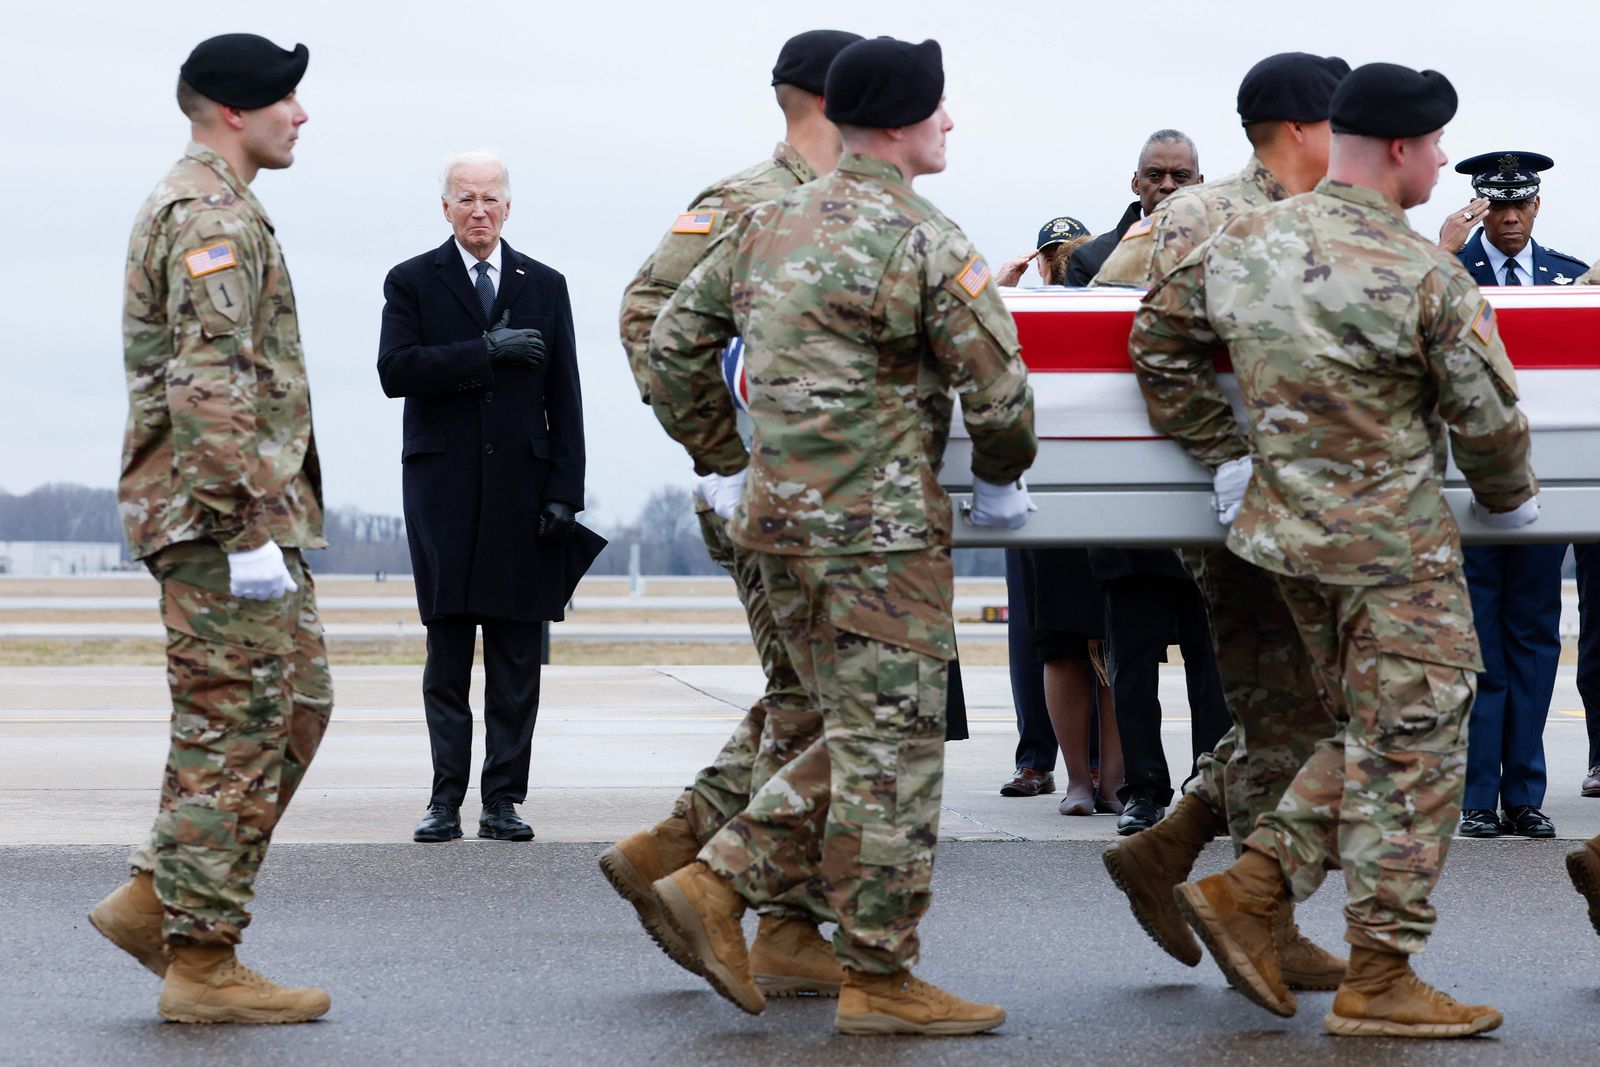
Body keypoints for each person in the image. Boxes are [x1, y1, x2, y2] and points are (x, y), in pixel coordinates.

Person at [646, 36, 1035, 1035]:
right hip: (881, 533)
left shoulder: (765, 223)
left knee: (838, 728)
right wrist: (999, 480)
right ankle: (799, 926)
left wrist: (722, 456)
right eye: (938, 110)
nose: (949, 124)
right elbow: (1000, 393)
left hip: (777, 525)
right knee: (887, 743)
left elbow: (672, 343)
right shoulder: (925, 236)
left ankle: (825, 940)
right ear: (901, 124)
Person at [1141, 61, 1534, 1038]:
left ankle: (1253, 887)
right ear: (1400, 149)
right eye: (1438, 145)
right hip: (1390, 547)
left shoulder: (1243, 241)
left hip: (1283, 540)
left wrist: (1226, 451)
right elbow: (1488, 419)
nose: (1443, 160)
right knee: (1421, 740)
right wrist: (1507, 499)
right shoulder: (1422, 271)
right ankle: (1377, 971)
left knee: (1369, 732)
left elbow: (1157, 341)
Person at [603, 28, 861, 999]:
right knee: (830, 699)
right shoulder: (746, 200)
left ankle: (750, 895)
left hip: (830, 499)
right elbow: (648, 317)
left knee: (807, 697)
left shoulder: (848, 201)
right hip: (767, 498)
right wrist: (721, 457)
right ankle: (713, 871)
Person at [90, 32, 331, 1024]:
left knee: (297, 703)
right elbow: (210, 384)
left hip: (236, 510)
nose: (301, 114)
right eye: (287, 99)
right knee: (232, 731)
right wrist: (244, 531)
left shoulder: (219, 204)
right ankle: (202, 957)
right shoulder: (208, 212)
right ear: (234, 110)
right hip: (216, 517)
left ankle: (161, 892)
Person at [1099, 51, 1349, 989]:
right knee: (1301, 708)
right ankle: (1263, 918)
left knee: (1293, 704)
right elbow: (1135, 325)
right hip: (1240, 499)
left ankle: (1172, 847)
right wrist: (1225, 457)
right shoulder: (1202, 212)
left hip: (1316, 500)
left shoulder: (1331, 210)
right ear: (1305, 125)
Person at [377, 150, 590, 845]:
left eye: (490, 198)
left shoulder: (546, 285)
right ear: (445, 207)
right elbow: (395, 370)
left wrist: (566, 491)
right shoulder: (413, 280)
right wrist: (484, 351)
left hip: (524, 496)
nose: (479, 210)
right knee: (447, 659)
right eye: (465, 198)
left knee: (516, 660)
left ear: (508, 206)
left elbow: (567, 396)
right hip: (442, 495)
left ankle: (503, 799)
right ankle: (444, 799)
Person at [1439, 152, 1587, 839]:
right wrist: (1439, 250)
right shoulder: (1447, 272)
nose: (1509, 217)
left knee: (1533, 639)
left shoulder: (1569, 278)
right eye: (1496, 205)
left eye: (1520, 204)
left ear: (1536, 206)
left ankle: (1524, 793)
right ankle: (1476, 796)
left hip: (1544, 484)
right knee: (1477, 643)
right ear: (1478, 207)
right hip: (1464, 485)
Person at [1089, 546, 1230, 833]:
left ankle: (1210, 787)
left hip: (1209, 546)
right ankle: (1144, 787)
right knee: (1132, 673)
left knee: (1215, 673)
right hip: (1131, 545)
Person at [1068, 131, 1203, 285]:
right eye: (1154, 175)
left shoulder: (1222, 249)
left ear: (1199, 184)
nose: (1167, 185)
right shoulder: (1089, 259)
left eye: (1180, 176)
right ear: (1136, 183)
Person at [996, 215, 1090, 287]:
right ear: (1039, 266)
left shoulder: (1101, 305)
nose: (1058, 267)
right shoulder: (1027, 307)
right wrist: (998, 289)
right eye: (1050, 260)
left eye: (1068, 259)